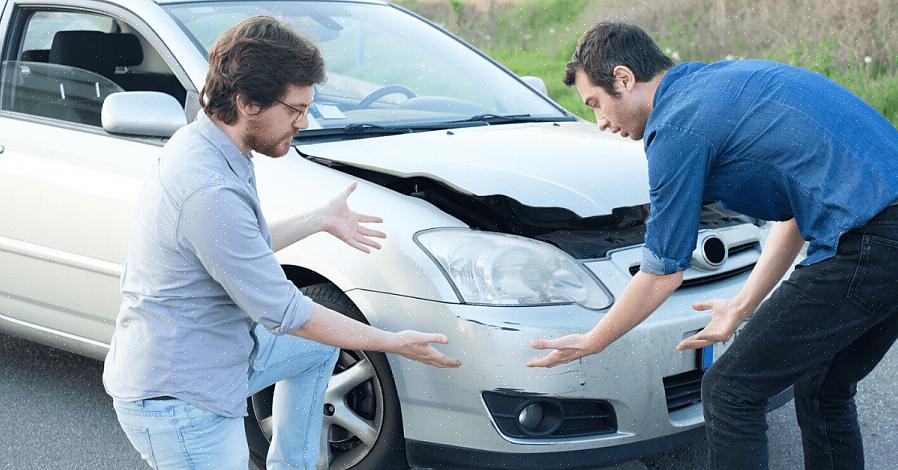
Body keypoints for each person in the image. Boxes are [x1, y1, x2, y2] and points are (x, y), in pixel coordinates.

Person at [528, 22, 898, 469]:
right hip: (882, 233)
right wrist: (741, 305)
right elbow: (795, 216)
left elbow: (663, 272)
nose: (601, 122)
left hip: (871, 241)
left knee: (729, 391)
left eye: (597, 103)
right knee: (823, 386)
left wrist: (593, 339)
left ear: (623, 79)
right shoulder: (717, 85)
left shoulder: (675, 127)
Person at [103, 16, 460, 470]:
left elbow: (235, 248)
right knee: (310, 333)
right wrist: (391, 341)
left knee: (316, 348)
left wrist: (319, 220)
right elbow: (288, 313)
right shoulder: (206, 188)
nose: (304, 122)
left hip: (217, 355)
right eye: (294, 109)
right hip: (182, 399)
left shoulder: (211, 143)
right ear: (248, 102)